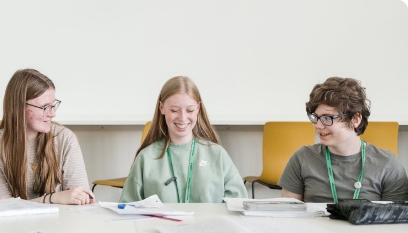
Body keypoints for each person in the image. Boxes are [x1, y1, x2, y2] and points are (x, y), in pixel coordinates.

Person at [119, 76, 248, 203]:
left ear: (198, 108)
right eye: (174, 110)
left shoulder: (217, 154)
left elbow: (239, 204)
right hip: (159, 225)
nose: (182, 117)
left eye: (190, 110)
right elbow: (129, 208)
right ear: (162, 108)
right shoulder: (146, 157)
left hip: (209, 224)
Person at [279, 77, 408, 203]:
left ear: (355, 119)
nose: (318, 125)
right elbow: (289, 215)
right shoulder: (303, 158)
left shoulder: (387, 165)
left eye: (327, 118)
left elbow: (394, 220)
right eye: (316, 117)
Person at [0, 68, 94, 205]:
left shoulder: (65, 138)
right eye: (44, 107)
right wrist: (52, 198)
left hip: (60, 222)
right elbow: (4, 207)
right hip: (12, 226)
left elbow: (83, 200)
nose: (52, 114)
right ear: (19, 106)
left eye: (53, 105)